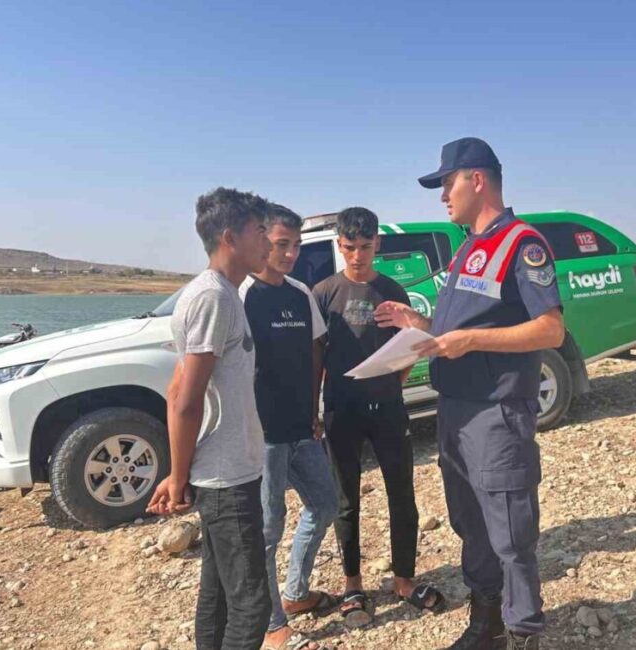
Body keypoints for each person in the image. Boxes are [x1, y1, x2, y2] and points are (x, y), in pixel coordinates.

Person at [374, 138, 564, 650]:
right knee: (470, 524)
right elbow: (456, 330)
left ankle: (524, 632)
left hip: (496, 413)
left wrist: (471, 339)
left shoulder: (522, 243)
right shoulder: (466, 247)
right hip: (455, 411)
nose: (441, 196)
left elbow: (550, 331)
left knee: (509, 532)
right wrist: (421, 326)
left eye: (446, 183)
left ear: (476, 180)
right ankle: (487, 627)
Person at [147, 187, 274, 650]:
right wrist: (179, 477)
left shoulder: (223, 294)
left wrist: (180, 471)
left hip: (225, 470)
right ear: (229, 237)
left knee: (218, 595)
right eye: (260, 231)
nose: (269, 241)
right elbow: (184, 398)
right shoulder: (213, 298)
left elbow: (176, 389)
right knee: (251, 605)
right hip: (226, 478)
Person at [312, 207, 445, 628]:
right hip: (341, 410)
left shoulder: (392, 291)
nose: (357, 256)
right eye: (349, 248)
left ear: (378, 245)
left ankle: (404, 580)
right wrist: (313, 408)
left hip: (387, 408)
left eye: (365, 247)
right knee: (345, 500)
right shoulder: (324, 294)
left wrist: (390, 384)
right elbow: (317, 359)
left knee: (401, 495)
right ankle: (353, 584)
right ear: (339, 245)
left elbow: (409, 347)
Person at [239, 202, 339, 650]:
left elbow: (316, 349)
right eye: (282, 244)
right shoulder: (242, 296)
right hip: (264, 437)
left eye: (296, 245)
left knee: (325, 504)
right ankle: (272, 623)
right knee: (267, 531)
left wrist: (314, 406)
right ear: (262, 241)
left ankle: (296, 593)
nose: (290, 253)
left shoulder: (300, 293)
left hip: (302, 429)